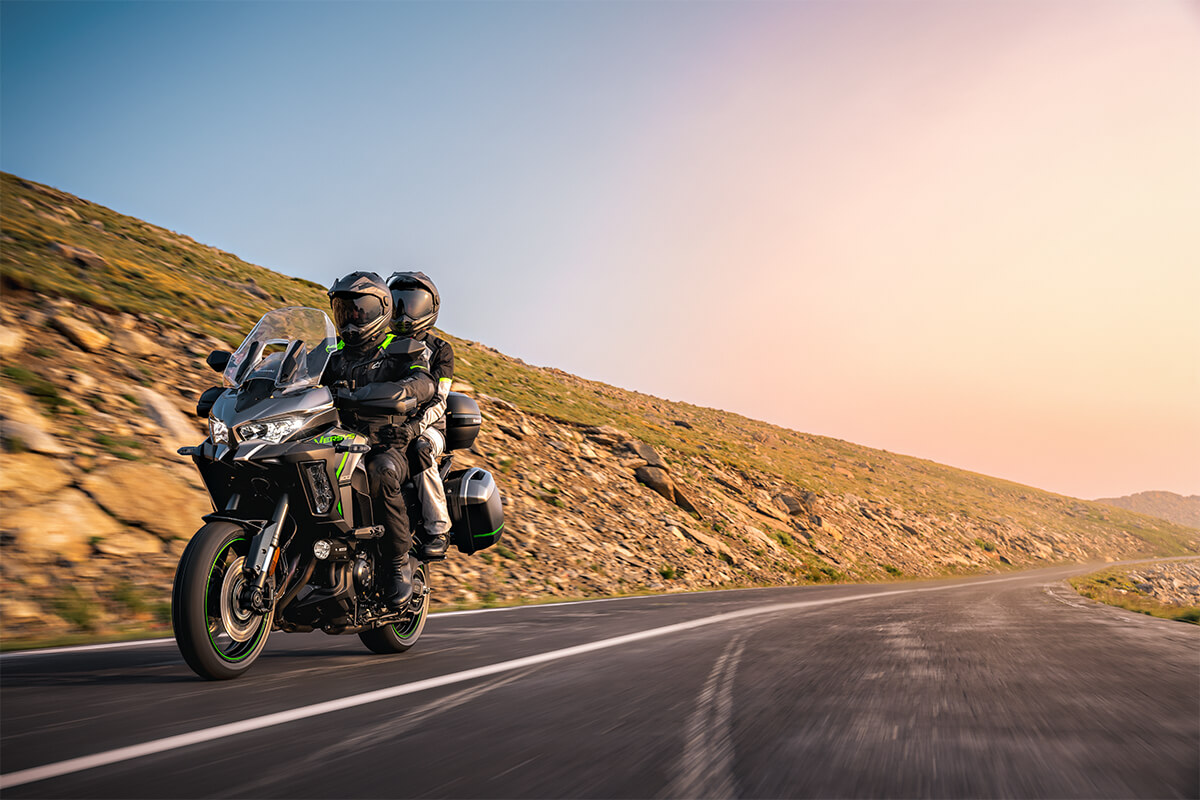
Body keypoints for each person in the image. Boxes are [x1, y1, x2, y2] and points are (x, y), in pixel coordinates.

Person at [324, 271, 434, 609]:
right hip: (334, 438)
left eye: (360, 309)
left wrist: (399, 391)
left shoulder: (400, 350)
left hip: (383, 442)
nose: (352, 317)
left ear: (380, 310)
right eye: (345, 310)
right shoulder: (331, 353)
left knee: (382, 471)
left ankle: (397, 564)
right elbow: (296, 374)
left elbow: (423, 383)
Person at [386, 271, 454, 558]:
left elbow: (439, 400)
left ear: (429, 308)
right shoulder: (382, 344)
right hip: (385, 424)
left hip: (429, 429)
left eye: (411, 304)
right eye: (398, 303)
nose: (404, 312)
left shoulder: (440, 350)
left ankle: (438, 528)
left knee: (420, 449)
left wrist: (415, 427)